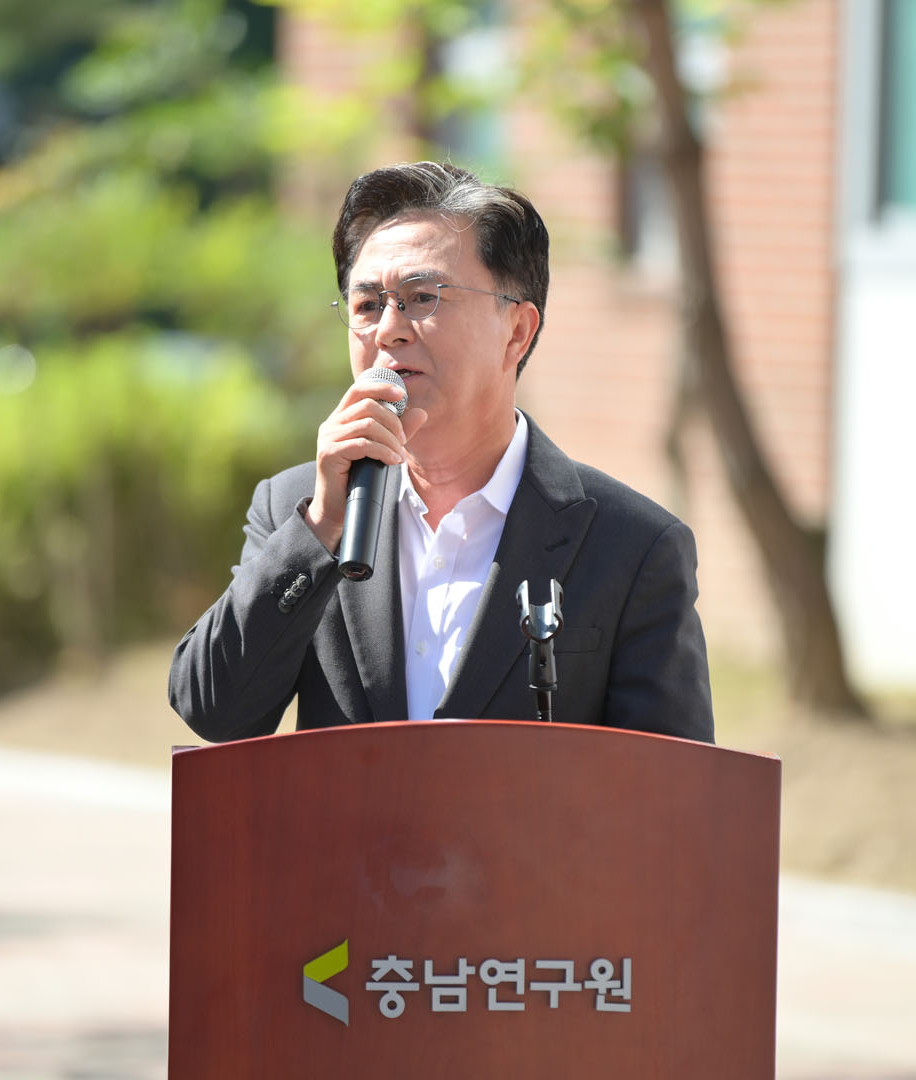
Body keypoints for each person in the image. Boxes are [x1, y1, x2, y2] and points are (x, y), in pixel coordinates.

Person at [169, 161, 713, 742]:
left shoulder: (633, 545)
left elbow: (671, 783)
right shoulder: (297, 510)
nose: (389, 330)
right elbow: (213, 713)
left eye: (422, 297)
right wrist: (322, 527)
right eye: (367, 305)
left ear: (517, 331)